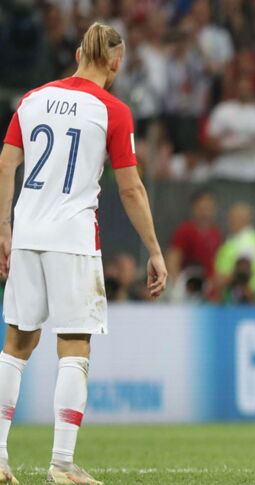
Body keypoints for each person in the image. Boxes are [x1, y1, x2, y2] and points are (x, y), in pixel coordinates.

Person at [0, 22, 167, 485]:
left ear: (77, 54)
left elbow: (6, 162)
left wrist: (4, 228)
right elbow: (131, 189)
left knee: (16, 345)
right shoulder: (112, 110)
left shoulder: (31, 100)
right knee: (74, 347)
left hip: (29, 233)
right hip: (72, 239)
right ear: (115, 63)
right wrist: (154, 249)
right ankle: (61, 465)